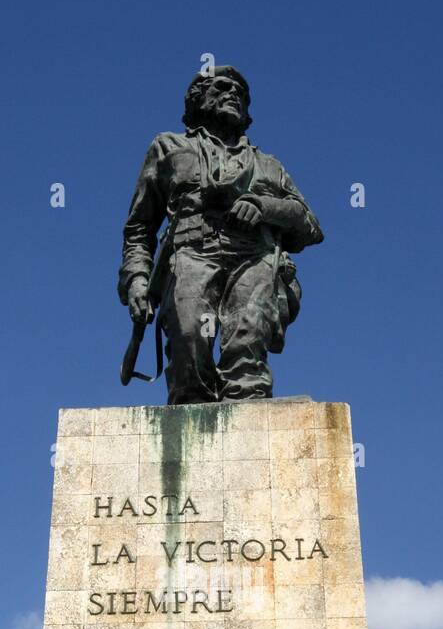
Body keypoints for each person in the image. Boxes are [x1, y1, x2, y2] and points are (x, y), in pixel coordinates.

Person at [119, 66, 324, 405]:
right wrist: (137, 279)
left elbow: (310, 226)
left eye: (241, 93)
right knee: (188, 344)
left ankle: (249, 423)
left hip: (253, 259)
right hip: (191, 254)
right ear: (198, 99)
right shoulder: (169, 148)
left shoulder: (268, 165)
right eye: (222, 87)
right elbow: (140, 227)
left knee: (247, 352)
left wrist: (264, 206)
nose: (233, 95)